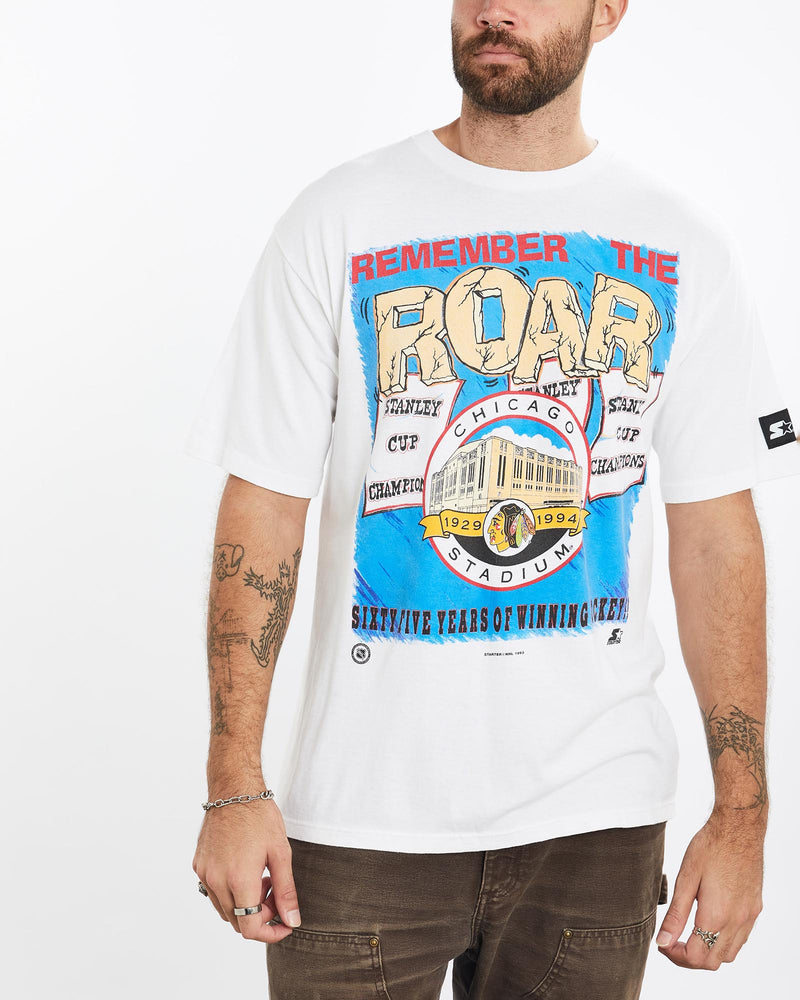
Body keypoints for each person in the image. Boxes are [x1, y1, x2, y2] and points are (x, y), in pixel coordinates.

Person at [185, 2, 800, 996]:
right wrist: (231, 783)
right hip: (361, 818)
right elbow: (262, 507)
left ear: (607, 12)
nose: (495, 8)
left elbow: (716, 538)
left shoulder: (682, 244)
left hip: (596, 822)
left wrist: (742, 815)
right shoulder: (338, 217)